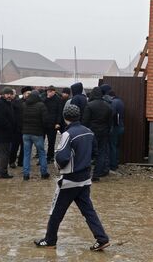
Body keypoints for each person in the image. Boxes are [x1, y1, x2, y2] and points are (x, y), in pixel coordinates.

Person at [34, 104, 110, 251]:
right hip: (85, 179)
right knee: (89, 212)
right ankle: (102, 238)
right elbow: (95, 152)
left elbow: (62, 157)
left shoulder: (67, 134)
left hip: (69, 180)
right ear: (79, 116)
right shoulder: (89, 132)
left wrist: (59, 166)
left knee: (56, 212)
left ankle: (50, 240)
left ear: (65, 117)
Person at [83, 87, 112, 181]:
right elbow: (110, 122)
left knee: (88, 152)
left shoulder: (89, 105)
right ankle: (96, 174)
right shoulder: (108, 106)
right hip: (104, 132)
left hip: (91, 132)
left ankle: (85, 173)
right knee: (101, 153)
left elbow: (85, 121)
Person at [22, 90, 50, 181]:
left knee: (26, 154)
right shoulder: (41, 106)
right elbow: (45, 120)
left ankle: (26, 175)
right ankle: (44, 173)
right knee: (41, 153)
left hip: (26, 133)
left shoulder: (24, 105)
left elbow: (20, 119)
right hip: (37, 133)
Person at [0, 88, 16, 179]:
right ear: (3, 94)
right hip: (2, 133)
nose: (9, 95)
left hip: (1, 133)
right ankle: (3, 173)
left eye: (10, 94)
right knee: (3, 154)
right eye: (7, 94)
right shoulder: (0, 104)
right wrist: (9, 126)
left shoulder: (6, 103)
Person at [10, 86, 32, 168]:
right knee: (14, 146)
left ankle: (21, 162)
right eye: (27, 93)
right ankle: (12, 161)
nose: (29, 95)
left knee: (25, 147)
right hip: (17, 128)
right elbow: (12, 114)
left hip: (27, 129)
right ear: (23, 93)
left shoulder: (32, 103)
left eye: (30, 93)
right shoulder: (16, 102)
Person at [43, 86, 63, 163]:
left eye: (50, 91)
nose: (49, 93)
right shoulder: (45, 98)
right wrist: (47, 98)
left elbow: (59, 112)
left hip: (53, 123)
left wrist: (58, 122)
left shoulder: (58, 100)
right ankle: (41, 156)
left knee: (51, 141)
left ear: (54, 91)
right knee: (42, 140)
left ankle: (50, 156)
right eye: (48, 91)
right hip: (44, 122)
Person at [108, 90, 125, 171]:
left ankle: (113, 165)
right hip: (121, 126)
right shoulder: (120, 101)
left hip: (115, 127)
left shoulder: (113, 102)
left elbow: (112, 114)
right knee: (117, 145)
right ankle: (117, 162)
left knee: (112, 146)